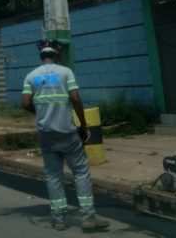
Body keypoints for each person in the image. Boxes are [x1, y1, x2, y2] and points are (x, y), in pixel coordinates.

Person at [21, 40, 110, 232]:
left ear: (42, 56)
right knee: (80, 171)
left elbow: (25, 103)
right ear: (57, 56)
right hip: (67, 131)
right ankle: (88, 217)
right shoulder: (65, 72)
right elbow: (75, 98)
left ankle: (59, 219)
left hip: (46, 133)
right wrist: (83, 124)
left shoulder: (31, 76)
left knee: (53, 175)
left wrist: (41, 113)